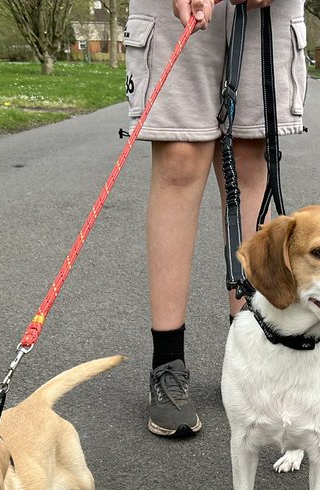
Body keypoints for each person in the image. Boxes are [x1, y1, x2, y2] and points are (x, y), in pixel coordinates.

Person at [124, 0, 308, 437]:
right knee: (180, 159)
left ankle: (252, 355)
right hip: (173, 12)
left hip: (268, 14)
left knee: (249, 158)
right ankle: (167, 363)